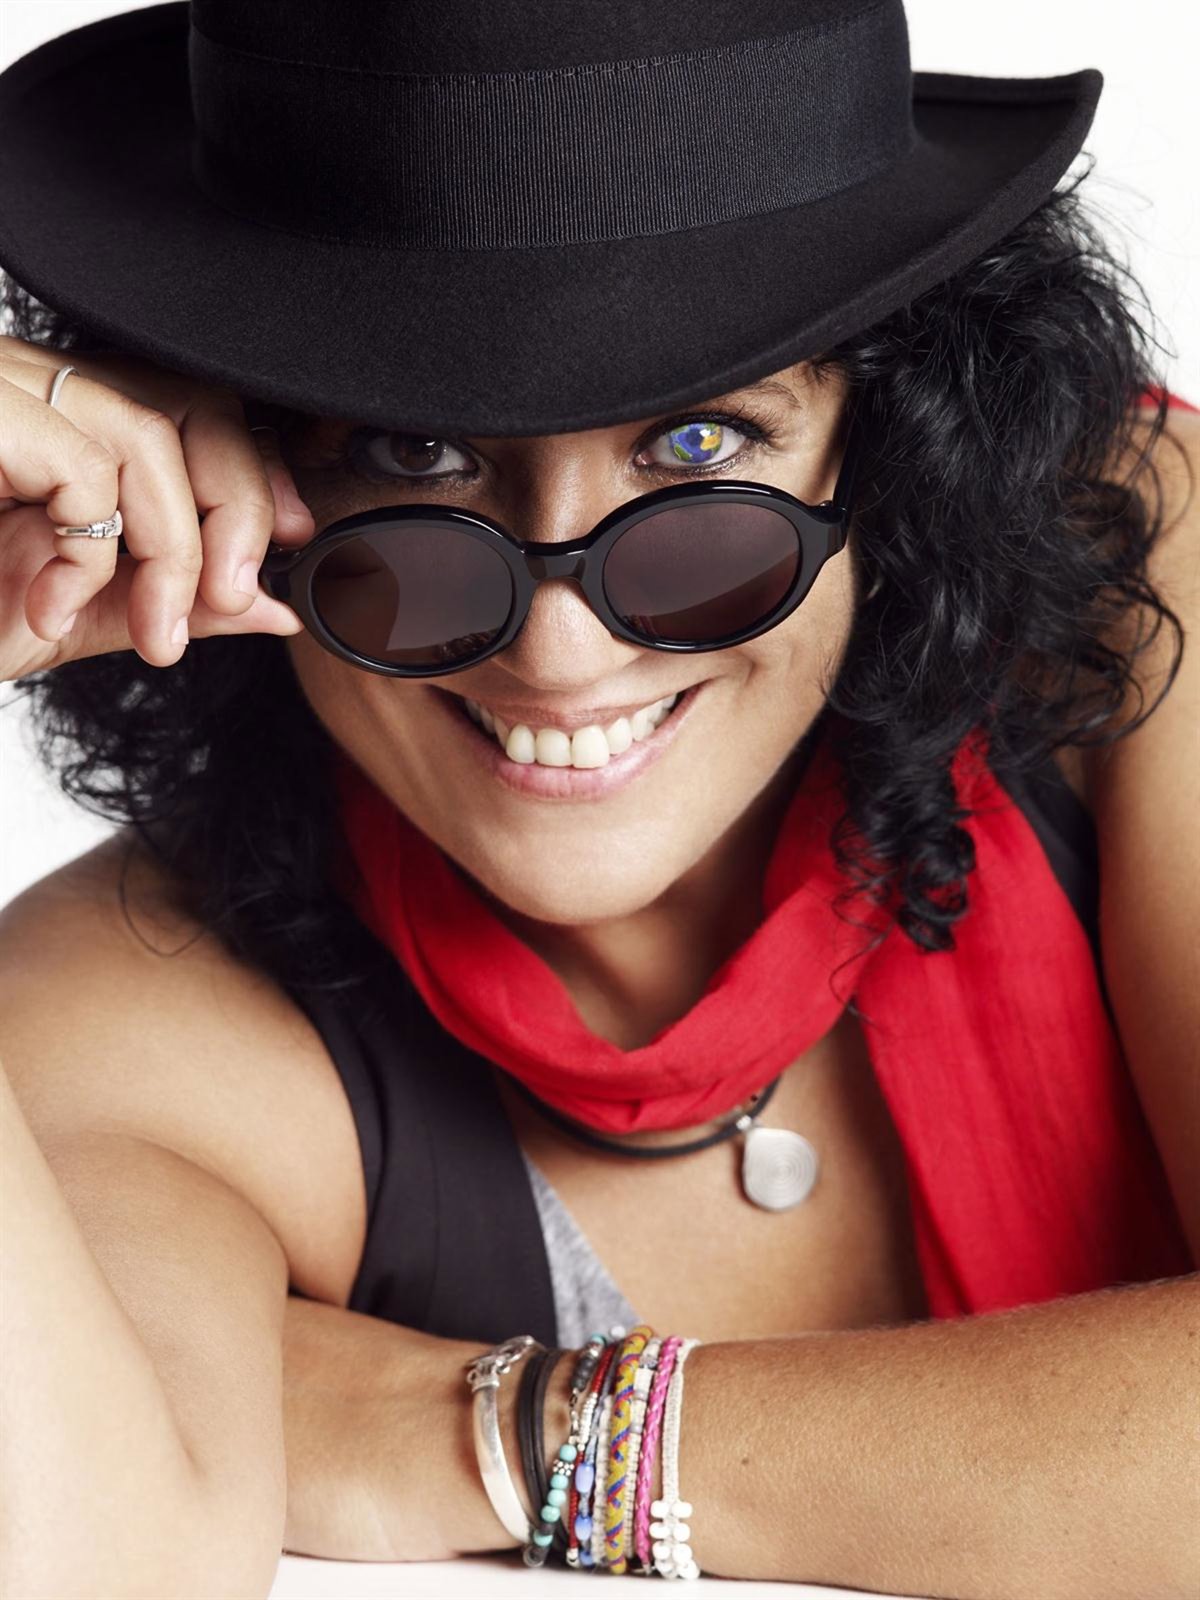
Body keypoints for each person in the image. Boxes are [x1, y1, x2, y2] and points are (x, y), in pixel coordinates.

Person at [0, 2, 1196, 1596]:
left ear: (901, 445)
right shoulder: (133, 1016)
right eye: (414, 454)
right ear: (225, 471)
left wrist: (494, 1430)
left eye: (703, 442)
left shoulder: (1140, 587)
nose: (562, 650)